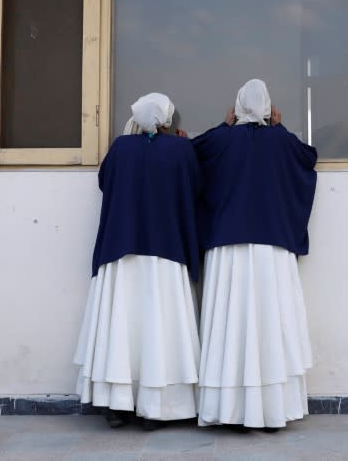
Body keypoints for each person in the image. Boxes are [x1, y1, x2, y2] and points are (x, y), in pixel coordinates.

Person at [192, 79, 317, 432]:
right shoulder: (281, 142)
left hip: (226, 248)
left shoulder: (221, 140)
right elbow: (308, 159)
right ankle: (274, 410)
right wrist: (280, 127)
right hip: (271, 248)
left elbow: (193, 152)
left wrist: (225, 125)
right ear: (268, 107)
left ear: (237, 106)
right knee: (270, 323)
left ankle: (226, 410)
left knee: (230, 325)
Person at [73, 93, 202, 430]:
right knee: (161, 327)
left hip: (122, 250)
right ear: (167, 119)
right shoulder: (181, 150)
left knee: (121, 327)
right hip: (166, 250)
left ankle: (116, 407)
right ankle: (156, 408)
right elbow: (195, 186)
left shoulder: (120, 148)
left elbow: (106, 183)